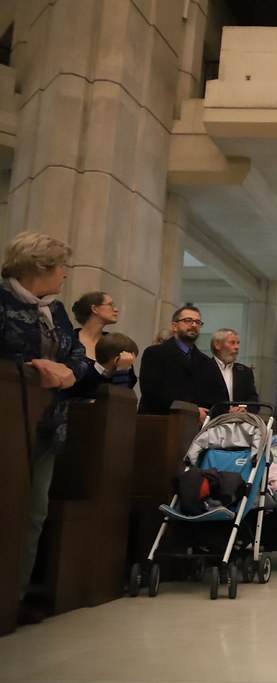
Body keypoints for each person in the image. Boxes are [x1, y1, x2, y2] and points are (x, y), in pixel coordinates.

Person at [1, 232, 90, 625]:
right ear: (40, 267)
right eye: (61, 267)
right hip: (7, 421)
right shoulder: (1, 302)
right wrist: (32, 366)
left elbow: (75, 354)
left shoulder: (55, 311)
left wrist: (67, 370)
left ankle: (14, 597)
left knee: (34, 511)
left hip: (48, 423)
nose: (65, 275)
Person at [138, 305, 225, 421]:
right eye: (188, 320)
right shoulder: (155, 353)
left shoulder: (206, 362)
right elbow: (152, 391)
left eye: (198, 322)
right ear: (174, 326)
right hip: (160, 422)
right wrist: (191, 410)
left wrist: (207, 413)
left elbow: (218, 394)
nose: (194, 325)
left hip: (197, 427)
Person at [70, 291, 136, 391]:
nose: (116, 309)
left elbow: (127, 388)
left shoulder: (115, 343)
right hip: (73, 404)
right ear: (95, 309)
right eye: (110, 305)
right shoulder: (70, 340)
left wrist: (123, 369)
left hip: (108, 404)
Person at [209, 328, 258, 407]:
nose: (237, 347)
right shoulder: (204, 368)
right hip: (212, 417)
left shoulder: (245, 372)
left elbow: (252, 398)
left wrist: (244, 409)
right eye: (232, 343)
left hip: (239, 418)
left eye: (238, 343)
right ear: (217, 345)